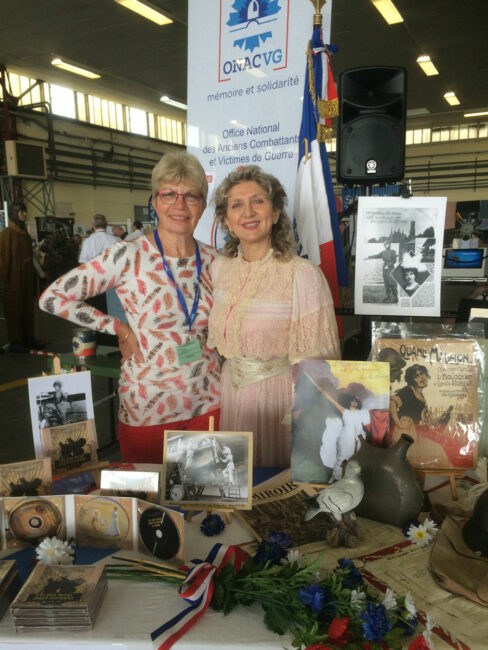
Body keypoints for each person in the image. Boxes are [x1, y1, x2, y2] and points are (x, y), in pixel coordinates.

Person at [39, 152, 221, 463]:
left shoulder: (216, 260)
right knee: (148, 507)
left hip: (209, 403)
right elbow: (53, 297)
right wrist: (117, 328)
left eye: (191, 195)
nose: (180, 204)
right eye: (169, 194)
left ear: (203, 205)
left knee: (203, 506)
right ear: (155, 201)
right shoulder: (128, 254)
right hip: (148, 408)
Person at [208, 165, 340, 467]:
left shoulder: (301, 274)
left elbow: (321, 362)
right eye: (236, 204)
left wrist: (305, 424)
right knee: (235, 487)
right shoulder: (220, 269)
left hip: (279, 402)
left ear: (276, 212)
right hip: (233, 397)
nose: (248, 212)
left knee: (272, 491)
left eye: (258, 201)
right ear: (226, 219)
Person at [0, 201, 41, 353]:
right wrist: (5, 279)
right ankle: (15, 340)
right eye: (21, 211)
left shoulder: (24, 234)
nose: (24, 214)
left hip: (26, 278)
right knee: (14, 309)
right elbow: (2, 258)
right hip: (13, 279)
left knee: (27, 309)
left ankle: (28, 337)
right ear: (13, 214)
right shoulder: (6, 234)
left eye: (24, 211)